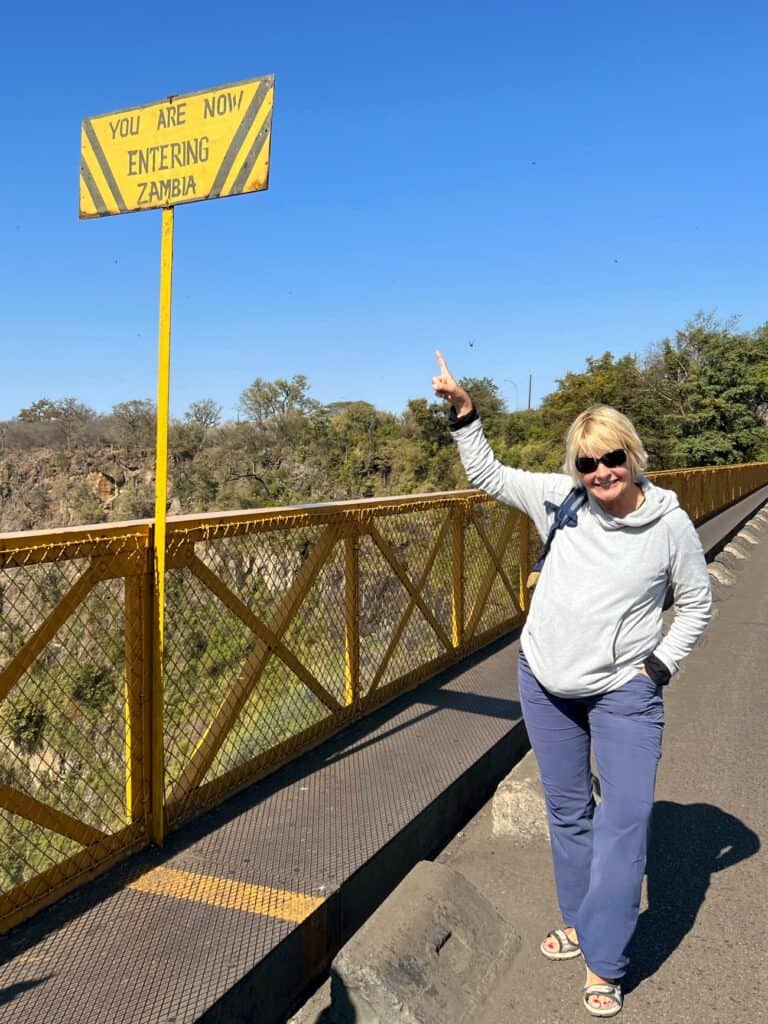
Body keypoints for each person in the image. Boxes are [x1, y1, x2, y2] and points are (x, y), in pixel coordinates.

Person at [431, 351, 712, 1018]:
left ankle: (606, 959)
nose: (601, 473)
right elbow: (488, 474)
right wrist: (465, 413)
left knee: (627, 817)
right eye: (586, 463)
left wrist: (657, 667)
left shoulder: (668, 525)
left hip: (624, 691)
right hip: (545, 680)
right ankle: (584, 921)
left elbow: (696, 604)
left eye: (611, 457)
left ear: (633, 454)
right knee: (566, 810)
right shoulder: (560, 500)